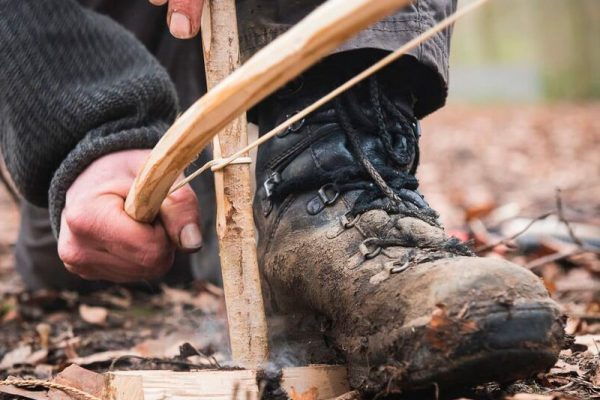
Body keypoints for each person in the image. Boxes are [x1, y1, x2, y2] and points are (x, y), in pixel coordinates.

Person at [0, 0, 564, 394]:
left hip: (277, 49)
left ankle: (325, 191)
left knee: (287, 242)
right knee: (107, 254)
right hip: (90, 49)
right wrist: (82, 129)